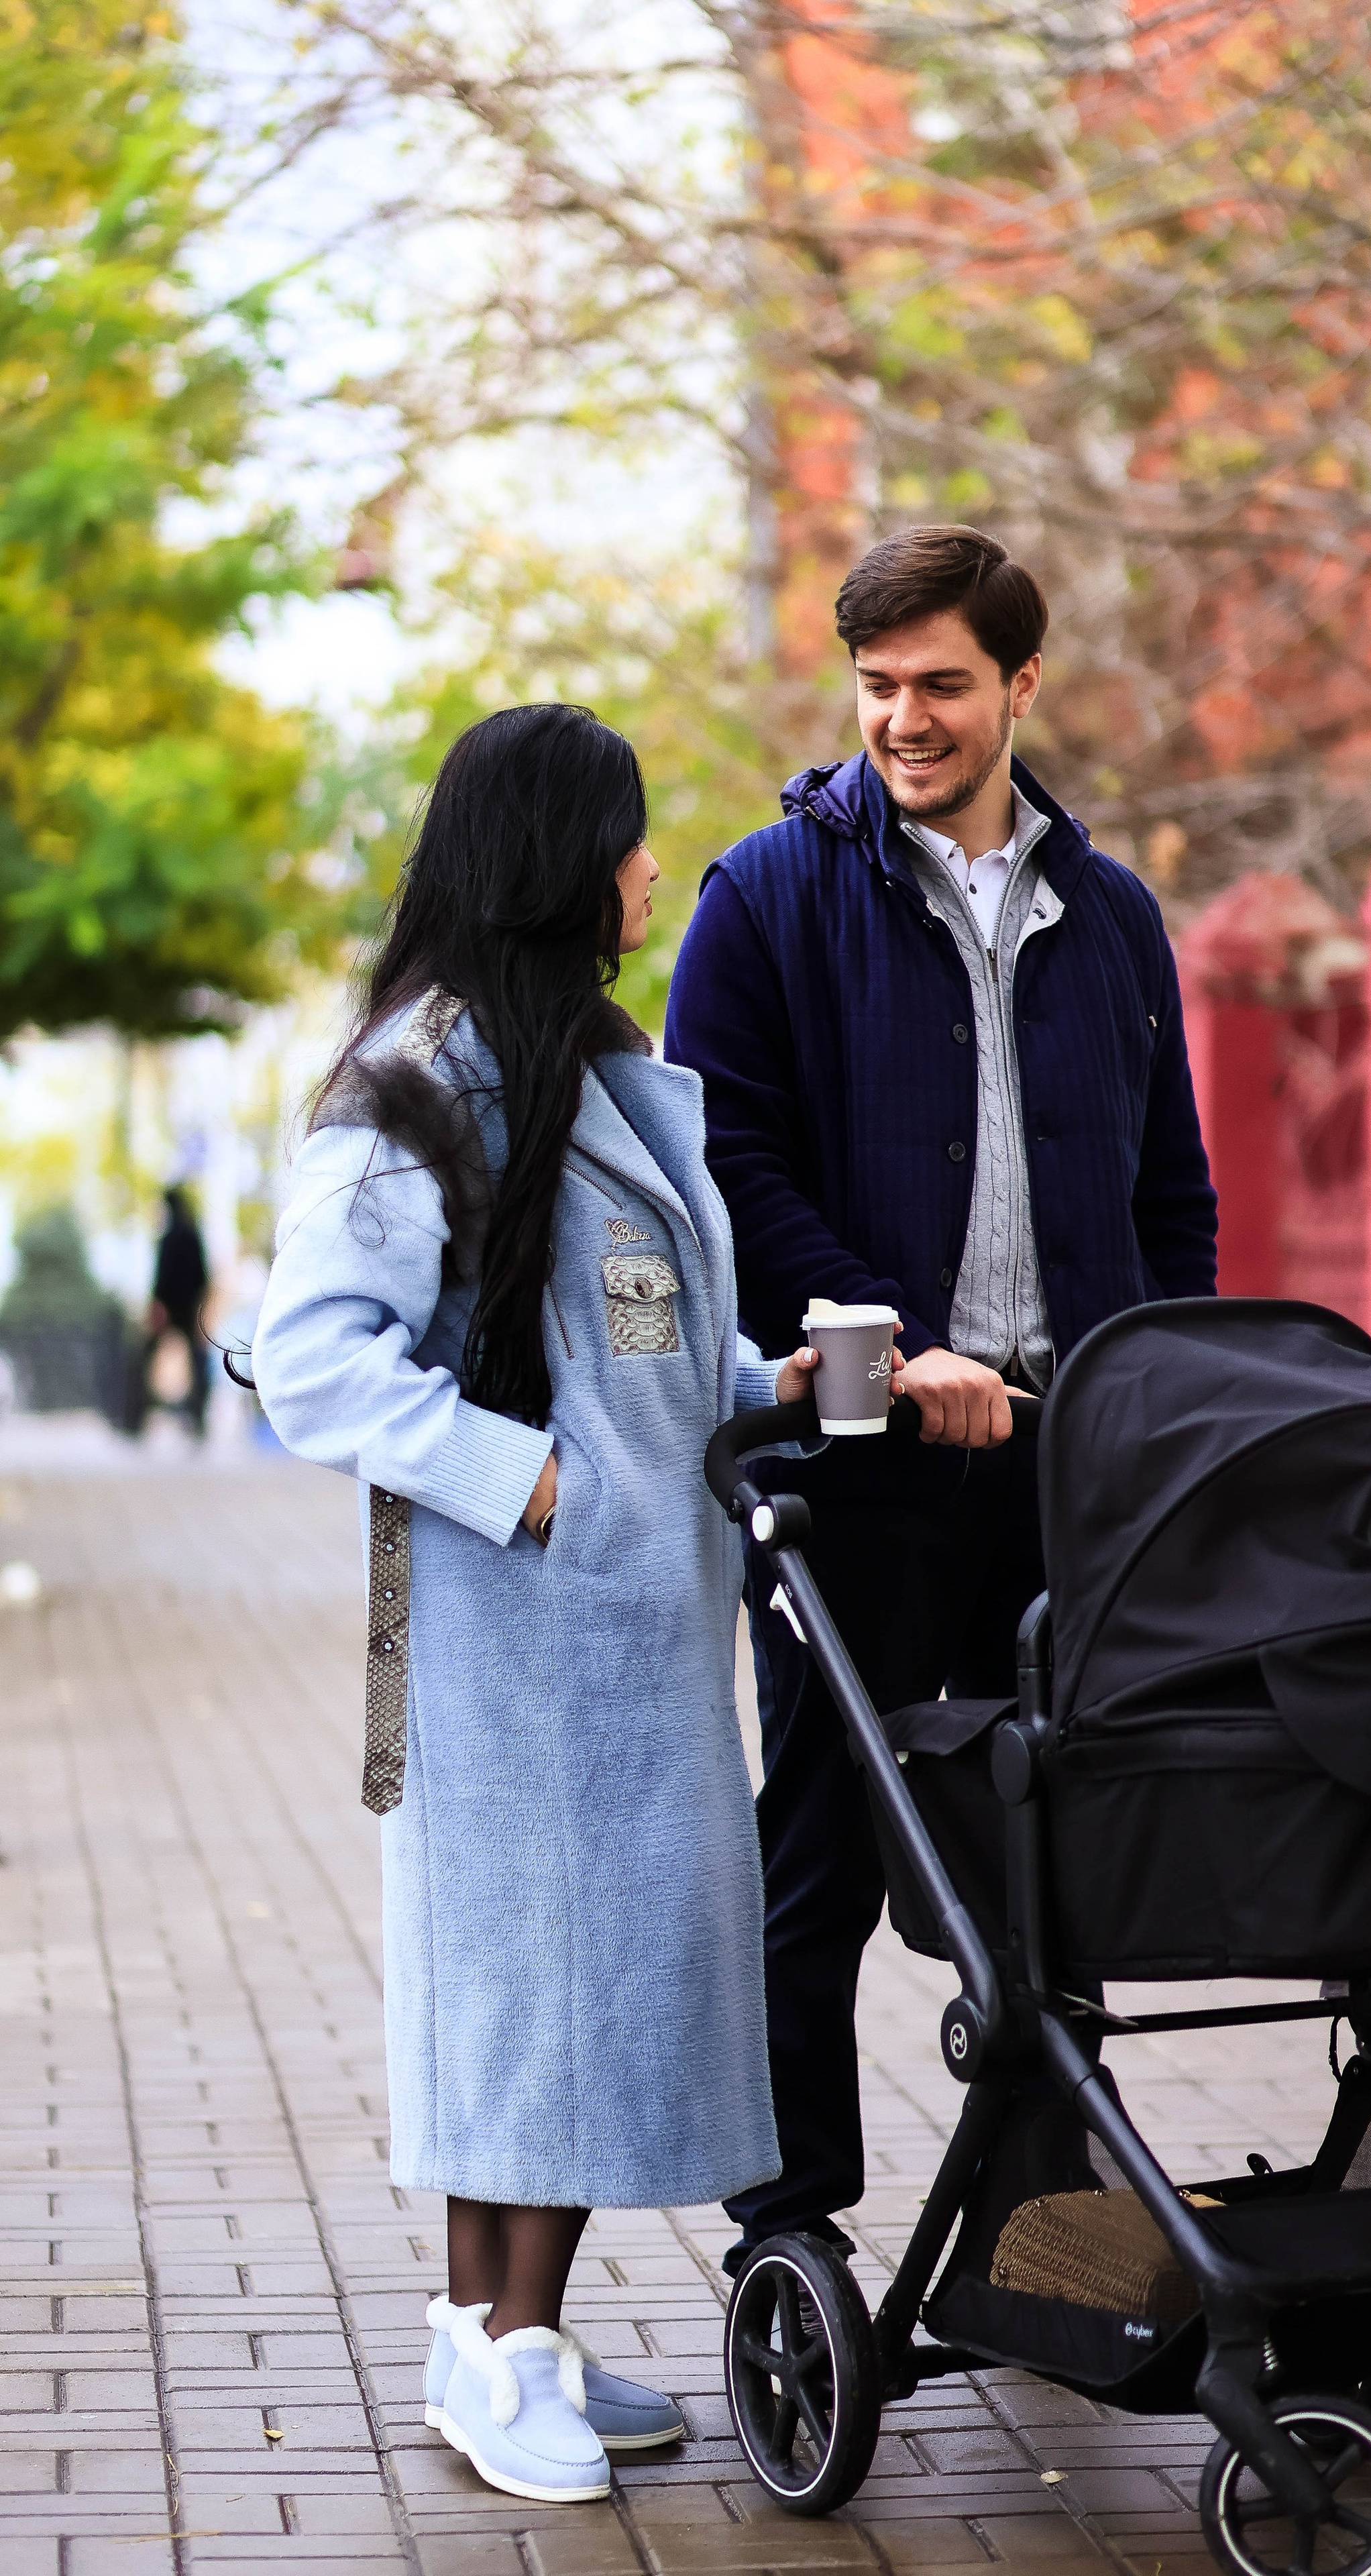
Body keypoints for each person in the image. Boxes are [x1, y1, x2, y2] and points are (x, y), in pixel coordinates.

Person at [252, 704, 891, 2507]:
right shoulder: (422, 1080)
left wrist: (786, 1382)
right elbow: (315, 1360)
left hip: (627, 1635)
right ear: (554, 860)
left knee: (592, 1997)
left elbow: (636, 1347)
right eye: (626, 837)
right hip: (510, 1641)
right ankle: (492, 2351)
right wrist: (532, 1485)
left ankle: (510, 2339)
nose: (650, 869)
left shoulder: (584, 1068)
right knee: (531, 2001)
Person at [664, 523, 1218, 2273]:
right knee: (824, 1842)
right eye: (880, 685)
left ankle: (1049, 2208)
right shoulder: (765, 896)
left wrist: (1160, 1391)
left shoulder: (1113, 917)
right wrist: (890, 1351)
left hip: (1065, 1462)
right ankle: (790, 2223)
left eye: (944, 685)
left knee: (1048, 1843)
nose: (905, 718)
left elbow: (1171, 1196)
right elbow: (727, 1164)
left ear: (1021, 686)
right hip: (862, 1460)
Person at [132, 1186, 211, 1436]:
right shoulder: (193, 1236)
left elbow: (162, 1277)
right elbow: (203, 1276)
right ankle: (198, 1418)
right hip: (190, 1309)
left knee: (145, 1358)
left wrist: (158, 1306)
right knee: (198, 1363)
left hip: (170, 1308)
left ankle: (137, 1417)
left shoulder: (168, 1238)